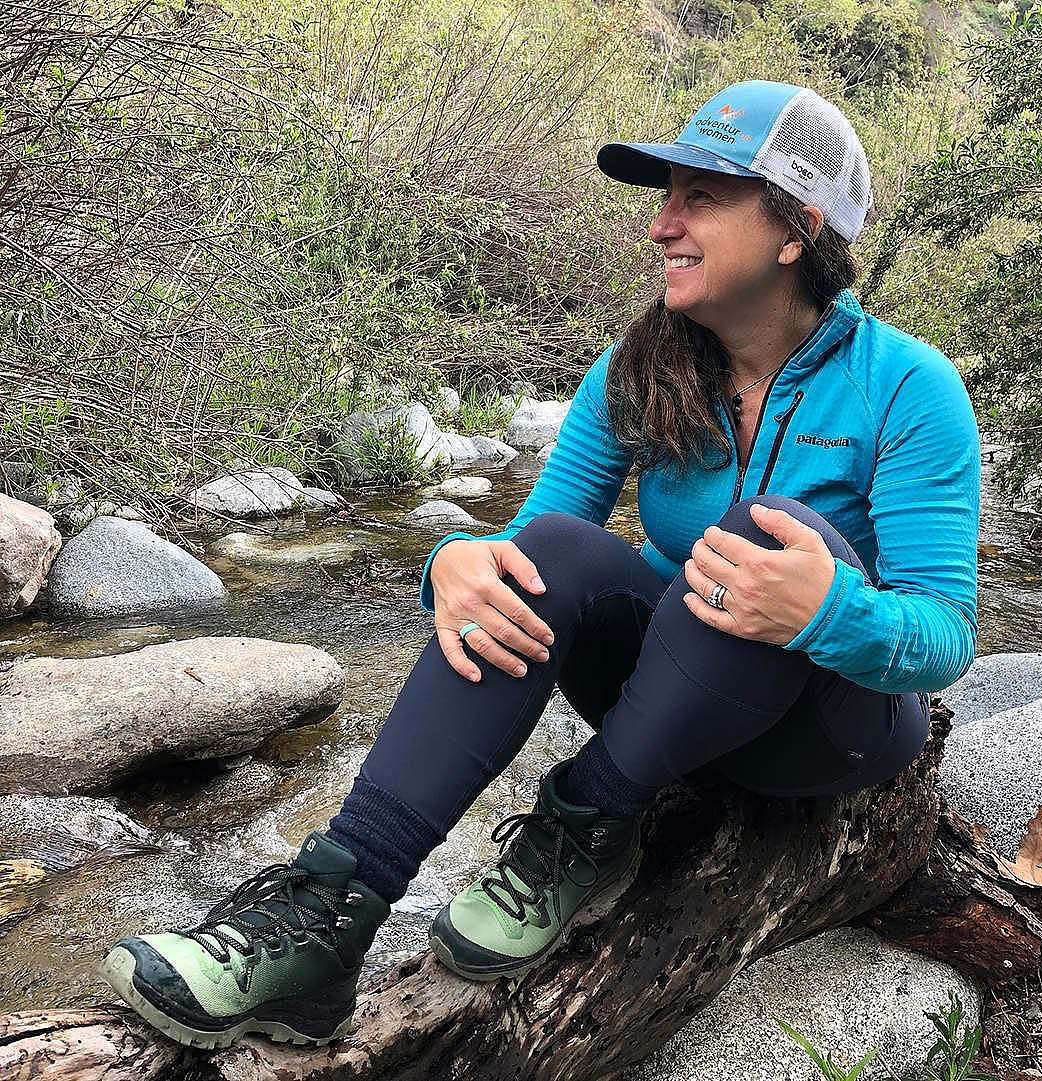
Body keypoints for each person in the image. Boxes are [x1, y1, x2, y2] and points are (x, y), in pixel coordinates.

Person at [98, 79, 981, 1050]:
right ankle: (326, 914)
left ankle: (586, 819)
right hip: (682, 708)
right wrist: (448, 562)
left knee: (766, 532)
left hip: (830, 734)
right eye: (663, 195)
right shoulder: (638, 367)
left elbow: (943, 637)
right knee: (553, 556)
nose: (661, 225)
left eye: (700, 197)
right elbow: (527, 550)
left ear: (795, 229)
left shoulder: (907, 386)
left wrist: (827, 609)